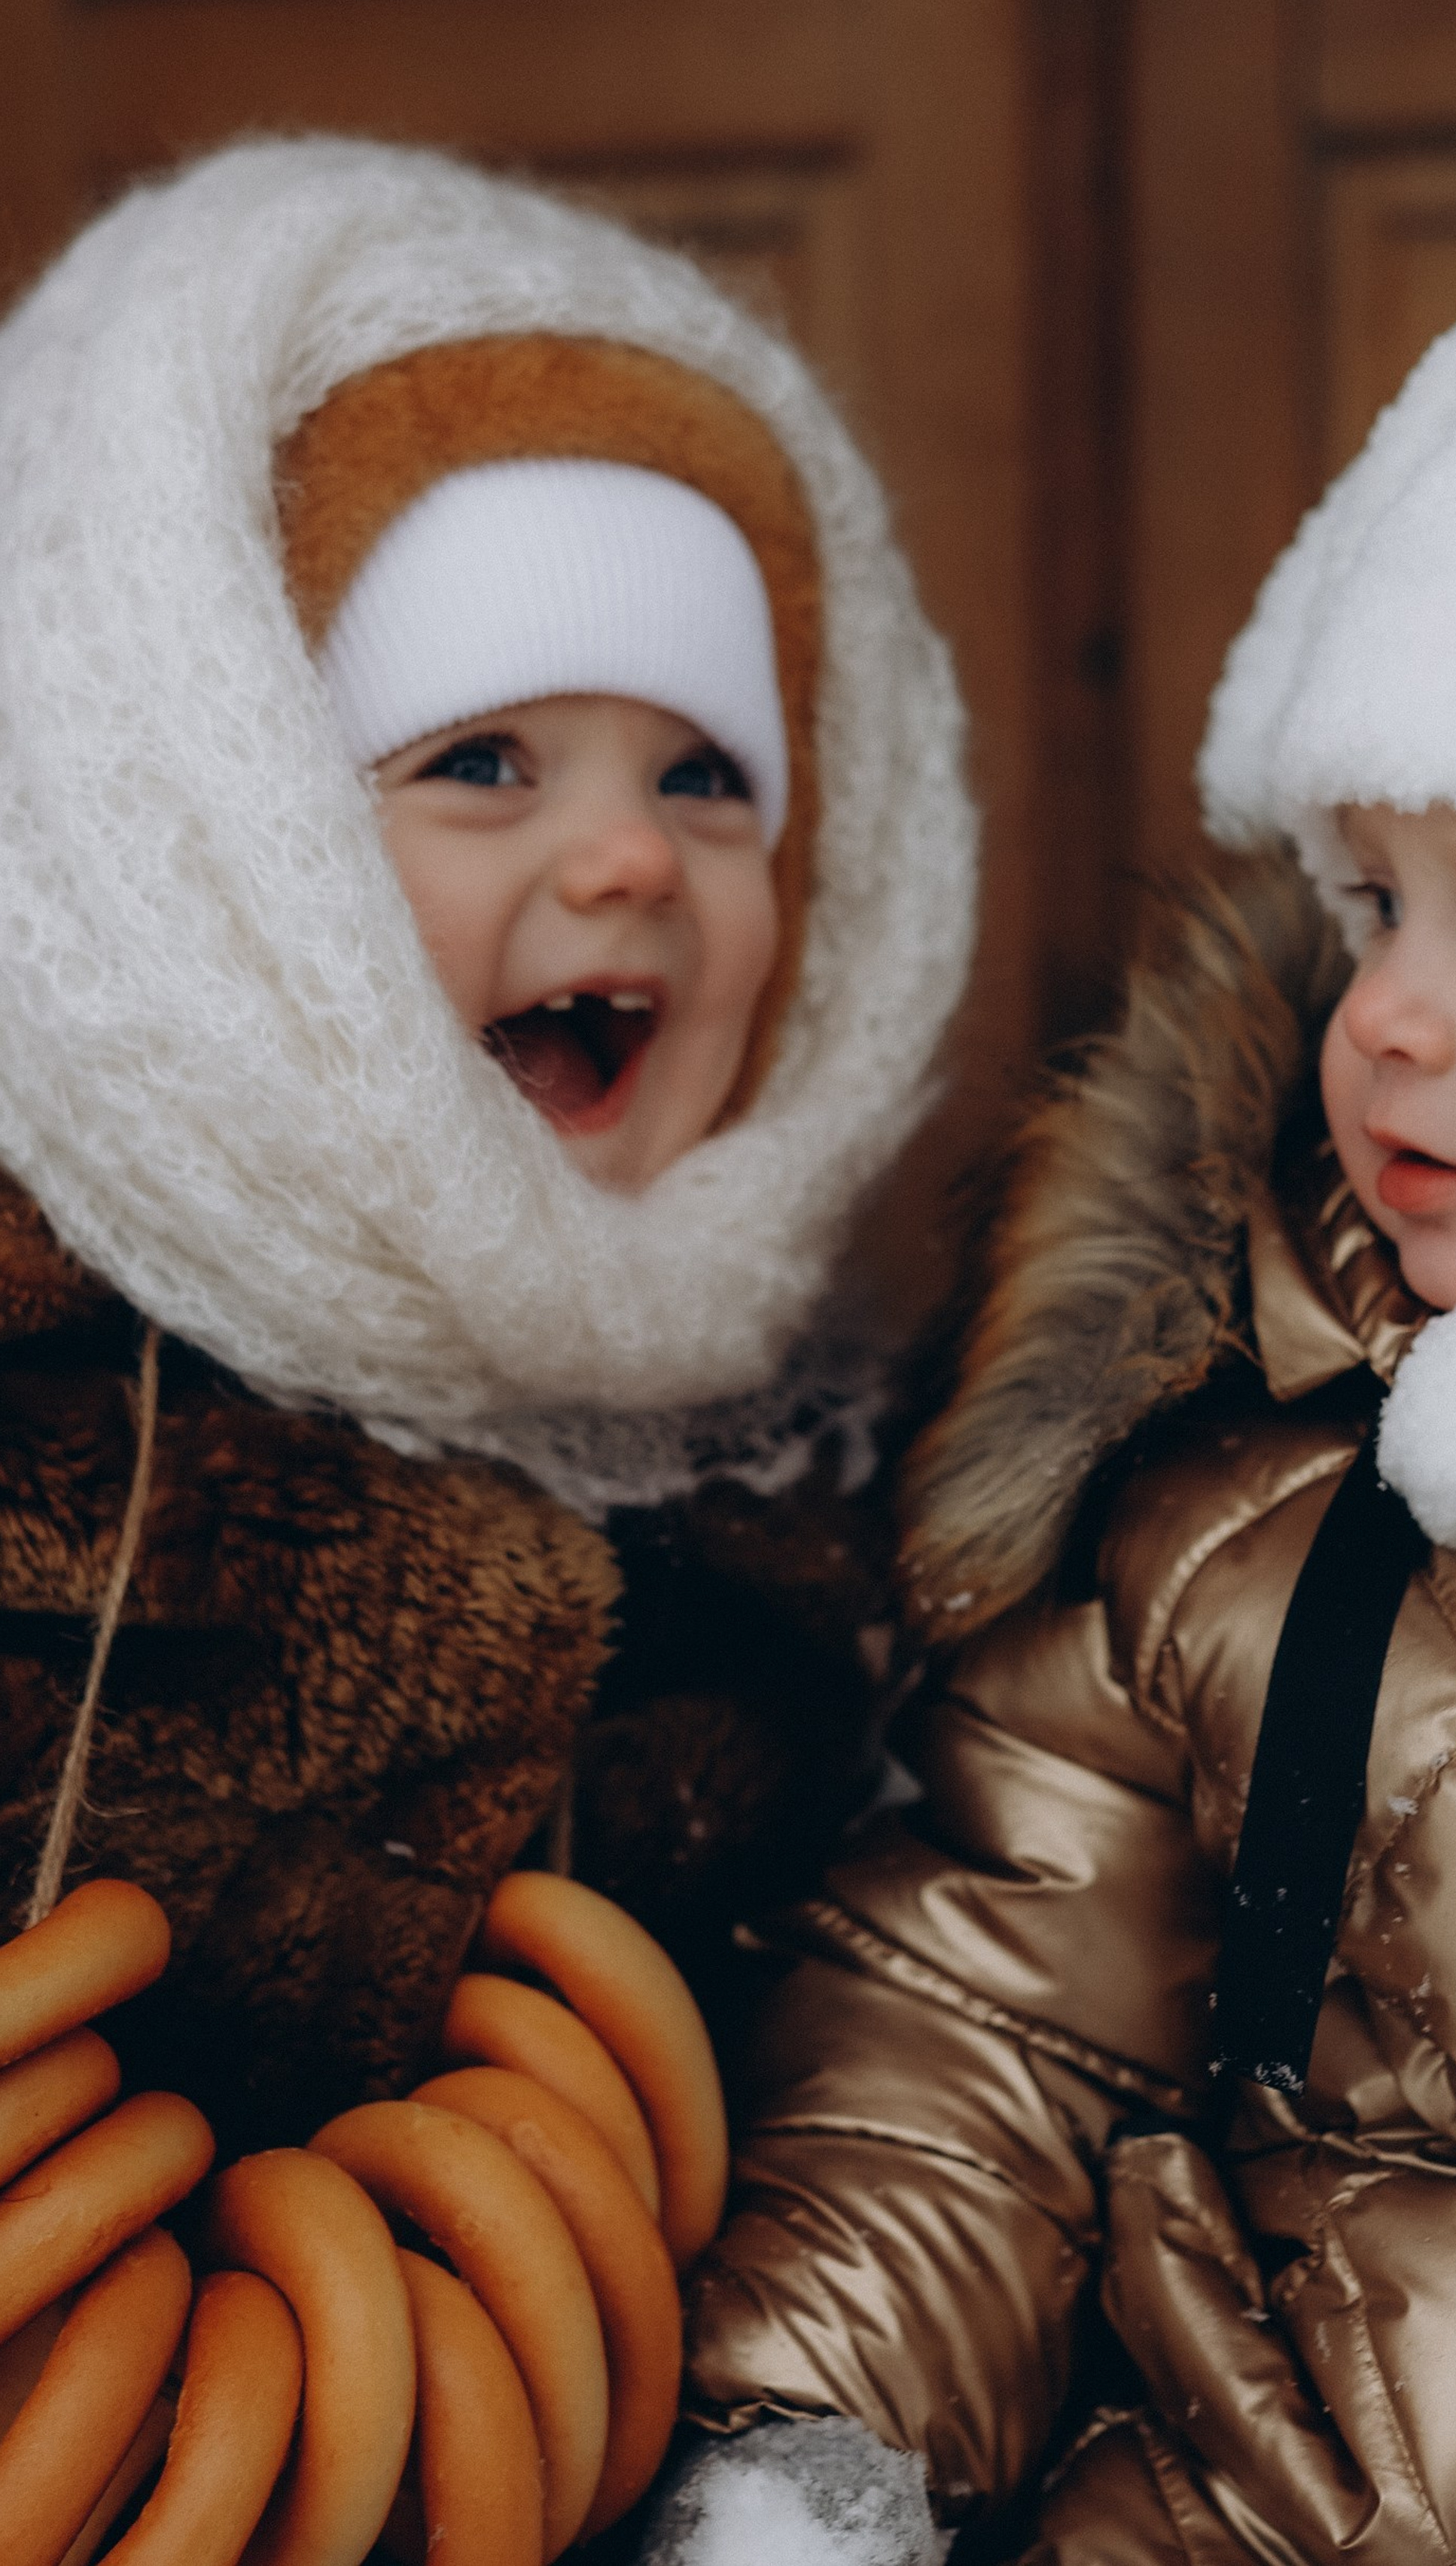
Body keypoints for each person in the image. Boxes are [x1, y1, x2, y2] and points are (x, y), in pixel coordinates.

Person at [654, 224, 1456, 2564]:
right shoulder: (1238, 1503)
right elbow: (987, 2034)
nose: (1392, 1018)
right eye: (1369, 907)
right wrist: (809, 2470)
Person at [0, 135, 974, 2149]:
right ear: (200, 846)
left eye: (708, 776)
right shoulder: (59, 1428)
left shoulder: (834, 1471)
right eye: (481, 761)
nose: (627, 858)